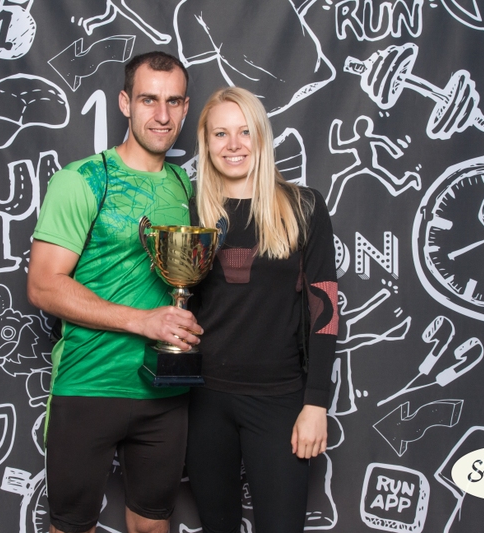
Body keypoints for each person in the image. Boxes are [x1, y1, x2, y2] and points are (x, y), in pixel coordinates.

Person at [26, 51, 199, 533]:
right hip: (89, 386)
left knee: (152, 525)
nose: (161, 115)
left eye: (173, 101)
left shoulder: (182, 185)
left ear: (185, 108)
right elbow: (42, 285)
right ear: (125, 103)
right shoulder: (83, 179)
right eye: (148, 100)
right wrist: (142, 321)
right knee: (71, 527)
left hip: (164, 391)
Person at [186, 87, 339, 533]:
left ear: (262, 137)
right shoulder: (191, 211)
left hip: (281, 400)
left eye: (245, 132)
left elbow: (325, 310)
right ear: (206, 142)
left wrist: (316, 403)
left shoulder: (304, 207)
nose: (233, 145)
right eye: (220, 133)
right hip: (205, 400)